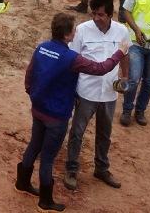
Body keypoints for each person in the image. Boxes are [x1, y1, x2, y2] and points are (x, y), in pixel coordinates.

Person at [17, 13, 128, 212]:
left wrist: (32, 95)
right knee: (49, 157)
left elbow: (29, 74)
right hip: (57, 116)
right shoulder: (71, 58)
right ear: (68, 36)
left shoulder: (41, 48)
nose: (76, 31)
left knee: (34, 145)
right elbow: (100, 68)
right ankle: (45, 200)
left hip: (38, 110)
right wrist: (119, 53)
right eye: (73, 30)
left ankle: (22, 182)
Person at [63, 0, 128, 192]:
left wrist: (125, 77)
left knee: (104, 134)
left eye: (100, 14)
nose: (96, 18)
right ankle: (72, 169)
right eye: (94, 14)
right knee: (77, 132)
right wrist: (71, 89)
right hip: (86, 91)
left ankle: (101, 168)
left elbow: (125, 54)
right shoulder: (82, 30)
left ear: (110, 15)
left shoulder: (122, 31)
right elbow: (72, 61)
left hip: (109, 93)